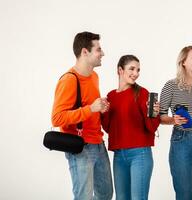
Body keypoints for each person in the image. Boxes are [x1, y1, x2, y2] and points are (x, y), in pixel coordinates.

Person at [51, 31, 113, 200]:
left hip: (98, 144)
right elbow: (57, 119)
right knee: (84, 197)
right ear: (85, 52)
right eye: (99, 49)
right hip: (80, 148)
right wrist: (90, 109)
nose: (103, 53)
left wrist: (100, 108)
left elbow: (89, 109)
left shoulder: (94, 76)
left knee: (106, 194)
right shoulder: (69, 80)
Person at [101, 55, 160, 200]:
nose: (136, 73)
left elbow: (151, 127)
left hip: (140, 154)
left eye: (138, 70)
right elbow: (109, 128)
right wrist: (103, 113)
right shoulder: (111, 96)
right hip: (119, 156)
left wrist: (154, 114)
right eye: (132, 69)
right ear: (120, 70)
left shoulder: (142, 93)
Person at [159, 46, 192, 200]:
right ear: (183, 62)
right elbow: (160, 116)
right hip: (182, 140)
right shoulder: (171, 85)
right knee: (184, 195)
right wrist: (173, 120)